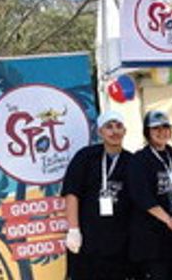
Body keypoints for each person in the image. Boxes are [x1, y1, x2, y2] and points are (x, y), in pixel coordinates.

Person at [62, 110, 133, 279]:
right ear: (100, 131)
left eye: (119, 126)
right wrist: (73, 230)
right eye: (109, 127)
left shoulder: (132, 161)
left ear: (125, 131)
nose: (114, 131)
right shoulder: (85, 157)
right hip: (88, 239)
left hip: (120, 242)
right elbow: (71, 193)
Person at [127, 110, 172, 280]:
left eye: (165, 127)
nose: (161, 132)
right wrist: (169, 220)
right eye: (155, 128)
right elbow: (141, 196)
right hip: (151, 240)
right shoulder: (139, 160)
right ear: (147, 132)